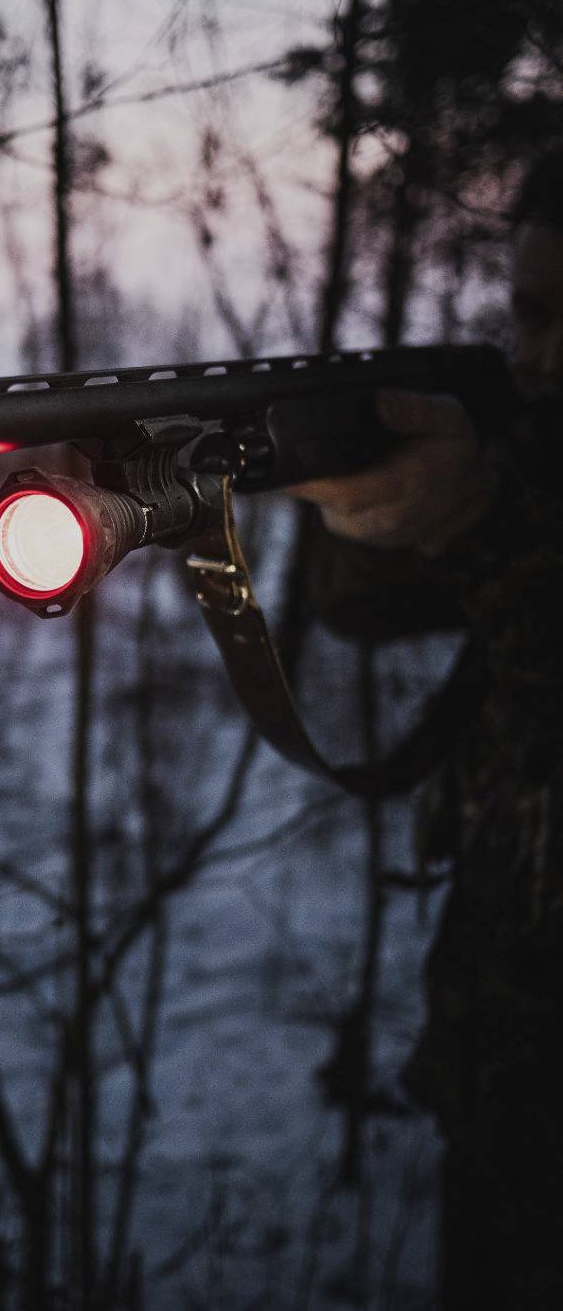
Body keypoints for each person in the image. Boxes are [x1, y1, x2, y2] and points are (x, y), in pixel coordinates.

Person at [289, 151, 563, 1309]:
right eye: (533, 318)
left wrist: (490, 527)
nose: (547, 363)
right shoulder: (532, 464)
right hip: (498, 1097)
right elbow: (359, 610)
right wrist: (362, 474)